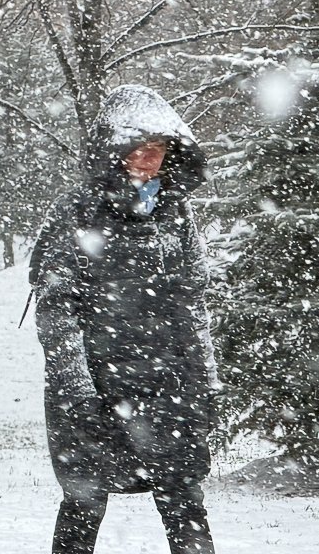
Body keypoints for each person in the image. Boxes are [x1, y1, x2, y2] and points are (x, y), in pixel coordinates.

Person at [29, 85, 222, 554]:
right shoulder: (77, 210)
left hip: (170, 381)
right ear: (112, 151)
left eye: (155, 151)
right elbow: (57, 306)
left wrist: (205, 377)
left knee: (183, 498)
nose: (144, 160)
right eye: (135, 149)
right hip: (99, 379)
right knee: (84, 496)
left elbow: (194, 299)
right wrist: (75, 383)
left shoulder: (176, 213)